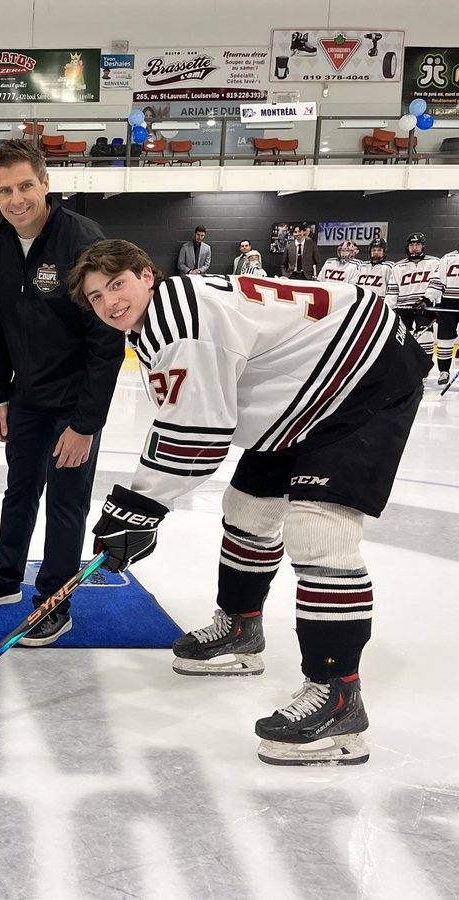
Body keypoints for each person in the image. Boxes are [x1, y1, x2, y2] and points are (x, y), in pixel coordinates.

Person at [69, 239, 428, 766]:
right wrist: (138, 508)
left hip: (365, 376)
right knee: (248, 508)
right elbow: (197, 420)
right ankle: (240, 628)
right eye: (97, 298)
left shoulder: (176, 321)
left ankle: (339, 695)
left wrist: (137, 508)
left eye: (117, 284)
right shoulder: (163, 318)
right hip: (309, 386)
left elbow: (197, 436)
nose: (109, 303)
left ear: (147, 275)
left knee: (318, 529)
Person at [0, 139, 123, 647]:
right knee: (20, 491)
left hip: (74, 404)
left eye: (26, 185)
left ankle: (54, 601)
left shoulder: (82, 241)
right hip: (25, 399)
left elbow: (106, 340)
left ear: (46, 183)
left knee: (66, 505)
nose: (16, 199)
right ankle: (5, 579)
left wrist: (86, 423)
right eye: (5, 190)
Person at [388, 232, 443, 378]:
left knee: (425, 338)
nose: (414, 248)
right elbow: (392, 290)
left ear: (422, 246)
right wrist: (389, 309)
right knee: (401, 339)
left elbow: (439, 285)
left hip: (424, 306)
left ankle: (423, 370)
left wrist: (432, 302)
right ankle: (404, 370)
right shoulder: (398, 266)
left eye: (417, 245)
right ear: (407, 247)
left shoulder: (435, 263)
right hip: (402, 307)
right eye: (412, 245)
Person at [427, 242, 459, 387]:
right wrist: (427, 298)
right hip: (449, 303)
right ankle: (444, 371)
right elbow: (437, 281)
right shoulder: (448, 258)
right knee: (445, 339)